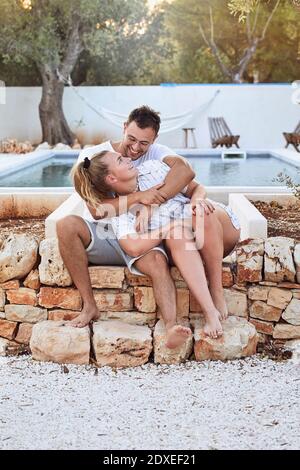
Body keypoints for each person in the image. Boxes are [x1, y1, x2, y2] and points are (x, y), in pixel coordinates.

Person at [57, 105, 198, 348]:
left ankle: (172, 326)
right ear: (124, 127)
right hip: (105, 235)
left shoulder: (155, 153)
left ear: (153, 139)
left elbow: (185, 171)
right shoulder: (94, 157)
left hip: (141, 234)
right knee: (66, 225)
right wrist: (139, 197)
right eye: (131, 139)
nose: (135, 148)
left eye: (144, 143)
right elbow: (95, 209)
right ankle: (89, 306)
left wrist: (154, 201)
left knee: (156, 262)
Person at [71, 150, 241, 338]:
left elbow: (196, 188)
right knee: (176, 234)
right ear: (111, 178)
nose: (128, 158)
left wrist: (195, 201)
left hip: (217, 228)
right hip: (189, 244)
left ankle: (216, 291)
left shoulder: (151, 169)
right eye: (120, 160)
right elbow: (133, 247)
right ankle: (210, 312)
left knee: (200, 212)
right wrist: (170, 227)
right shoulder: (120, 210)